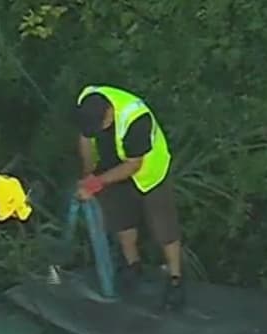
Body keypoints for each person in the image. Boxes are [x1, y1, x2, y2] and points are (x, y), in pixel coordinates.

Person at [74, 85, 186, 310]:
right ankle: (132, 266)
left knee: (163, 228)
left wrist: (95, 184)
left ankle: (176, 279)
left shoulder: (136, 119)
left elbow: (134, 166)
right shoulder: (87, 102)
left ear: (109, 114)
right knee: (122, 221)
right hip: (112, 168)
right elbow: (85, 140)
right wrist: (88, 175)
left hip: (149, 174)